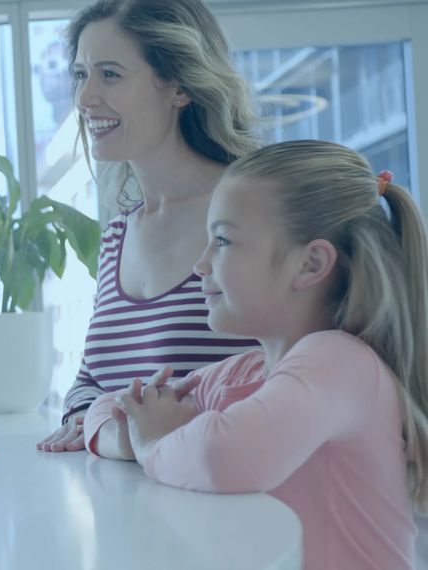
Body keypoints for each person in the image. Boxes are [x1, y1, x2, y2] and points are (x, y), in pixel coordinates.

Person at [105, 140, 425, 569]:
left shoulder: (341, 363)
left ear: (310, 265)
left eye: (222, 240)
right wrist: (136, 430)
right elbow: (111, 407)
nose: (200, 265)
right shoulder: (243, 372)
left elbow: (223, 457)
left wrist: (152, 440)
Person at [37, 0, 258, 454]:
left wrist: (113, 427)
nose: (84, 98)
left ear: (177, 86)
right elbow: (90, 379)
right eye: (81, 74)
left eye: (110, 75)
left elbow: (300, 373)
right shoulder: (118, 234)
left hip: (236, 511)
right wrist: (83, 415)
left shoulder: (253, 213)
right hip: (137, 510)